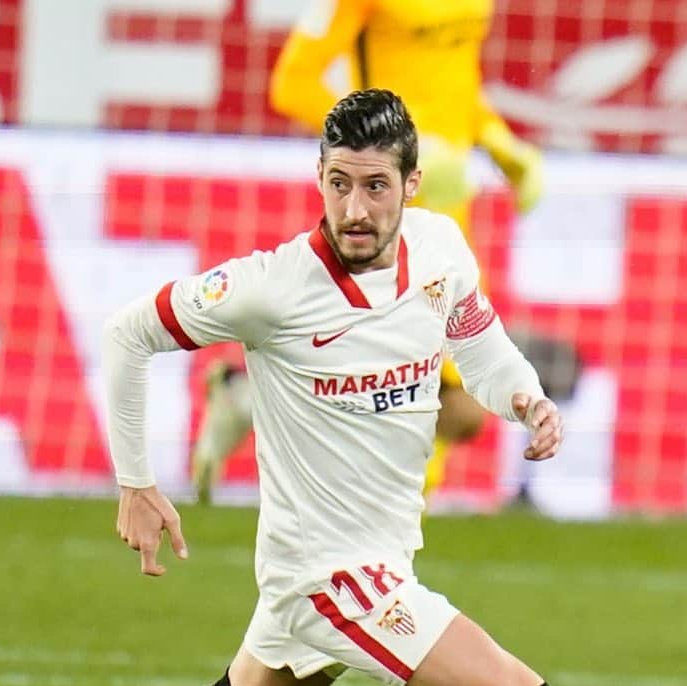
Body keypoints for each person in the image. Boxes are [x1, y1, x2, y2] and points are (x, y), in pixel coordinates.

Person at [21, 90, 670, 686]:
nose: (355, 209)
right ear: (317, 181)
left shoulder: (439, 248)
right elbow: (128, 332)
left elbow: (474, 337)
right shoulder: (272, 287)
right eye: (337, 184)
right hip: (334, 579)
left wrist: (524, 398)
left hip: (370, 559)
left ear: (411, 184)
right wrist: (135, 479)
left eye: (374, 185)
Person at [190, 0, 568, 501]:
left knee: (455, 408)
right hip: (379, 212)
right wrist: (393, 149)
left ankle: (250, 400)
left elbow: (452, 84)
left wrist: (502, 145)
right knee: (437, 402)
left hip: (449, 213)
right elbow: (293, 84)